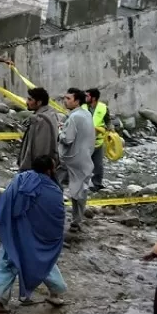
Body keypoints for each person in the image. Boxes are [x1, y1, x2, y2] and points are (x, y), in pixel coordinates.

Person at [0, 155, 69, 312]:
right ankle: (56, 293)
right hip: (36, 239)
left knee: (6, 263)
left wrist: (7, 226)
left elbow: (4, 203)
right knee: (44, 263)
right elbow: (56, 218)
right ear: (49, 170)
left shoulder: (19, 180)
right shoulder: (53, 191)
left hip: (14, 234)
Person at [59, 88, 95, 232]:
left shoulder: (74, 117)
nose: (65, 101)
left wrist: (60, 132)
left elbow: (68, 139)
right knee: (80, 191)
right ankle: (77, 221)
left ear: (77, 100)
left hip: (69, 158)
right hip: (84, 157)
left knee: (56, 185)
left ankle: (55, 215)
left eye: (68, 98)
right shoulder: (86, 114)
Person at [17, 87, 60, 172]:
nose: (27, 102)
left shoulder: (42, 120)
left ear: (39, 102)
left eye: (30, 100)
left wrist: (32, 169)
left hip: (38, 169)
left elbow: (40, 148)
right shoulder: (49, 114)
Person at [84, 88, 110, 191]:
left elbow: (108, 121)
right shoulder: (82, 107)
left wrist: (111, 129)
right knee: (82, 164)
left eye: (87, 96)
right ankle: (81, 184)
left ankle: (97, 184)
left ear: (93, 98)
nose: (85, 98)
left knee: (98, 165)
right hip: (84, 141)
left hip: (97, 142)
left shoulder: (103, 108)